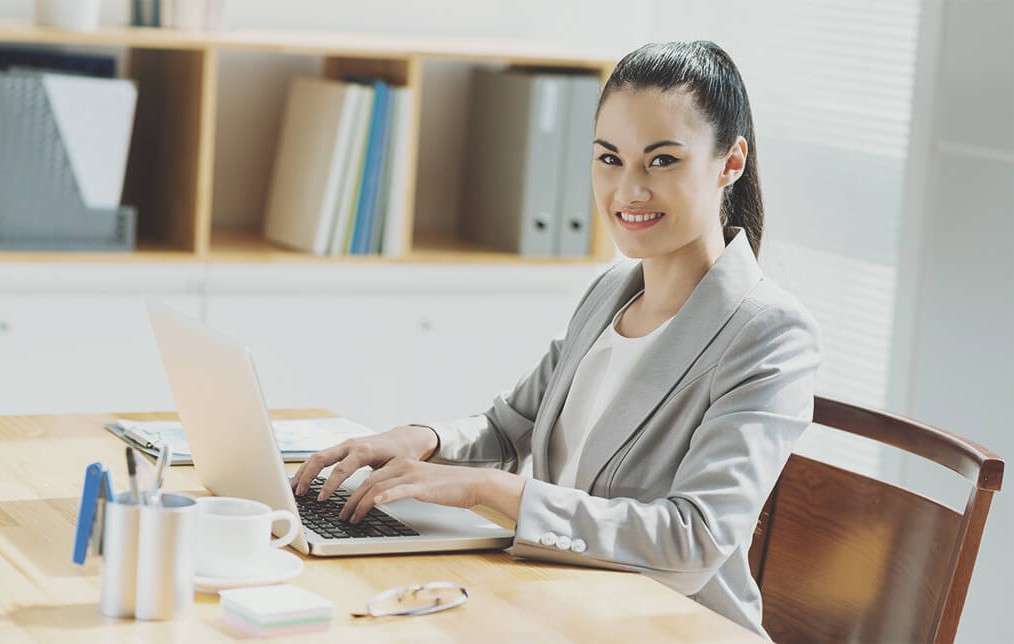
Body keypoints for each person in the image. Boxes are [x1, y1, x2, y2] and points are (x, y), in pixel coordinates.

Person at [292, 40, 822, 639]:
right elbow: (506, 427)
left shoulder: (768, 332)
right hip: (560, 602)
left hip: (669, 627)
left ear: (731, 162)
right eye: (609, 158)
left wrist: (489, 489)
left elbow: (693, 538)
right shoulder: (611, 293)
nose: (628, 190)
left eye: (663, 160)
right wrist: (421, 440)